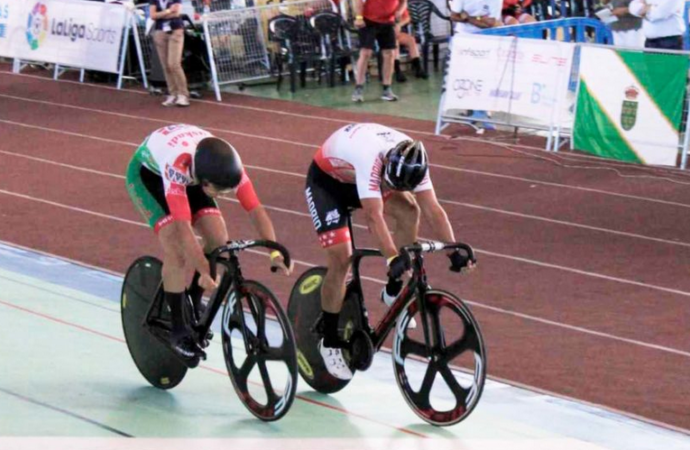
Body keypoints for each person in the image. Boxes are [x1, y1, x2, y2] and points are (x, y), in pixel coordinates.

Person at [304, 123, 474, 380]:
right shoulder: (370, 157)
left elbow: (433, 209)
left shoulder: (415, 162)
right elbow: (373, 217)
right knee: (341, 259)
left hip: (360, 178)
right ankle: (328, 341)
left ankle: (393, 291)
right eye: (390, 182)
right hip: (329, 184)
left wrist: (453, 249)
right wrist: (393, 257)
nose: (389, 187)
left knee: (410, 210)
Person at [125, 124, 292, 362]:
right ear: (204, 182)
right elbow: (184, 229)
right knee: (177, 249)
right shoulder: (178, 166)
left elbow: (255, 209)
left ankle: (192, 298)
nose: (225, 194)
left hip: (194, 173)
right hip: (149, 176)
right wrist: (203, 269)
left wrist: (274, 251)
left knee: (218, 238)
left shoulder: (230, 166)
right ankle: (178, 330)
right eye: (220, 191)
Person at [351, 0, 409, 102]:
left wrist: (399, 11)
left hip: (387, 22)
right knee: (365, 53)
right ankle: (358, 88)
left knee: (390, 53)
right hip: (368, 21)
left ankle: (387, 89)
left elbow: (403, 2)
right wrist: (359, 18)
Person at [149, 0, 191, 107]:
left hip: (175, 30)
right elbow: (152, 15)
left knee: (174, 64)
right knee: (166, 66)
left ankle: (183, 94)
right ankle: (173, 93)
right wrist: (168, 11)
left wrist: (161, 15)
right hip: (160, 31)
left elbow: (176, 13)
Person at [394, 6, 428, 83]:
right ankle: (398, 71)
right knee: (394, 42)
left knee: (411, 40)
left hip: (398, 32)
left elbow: (407, 18)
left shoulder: (399, 4)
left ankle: (418, 69)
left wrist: (399, 24)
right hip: (385, 33)